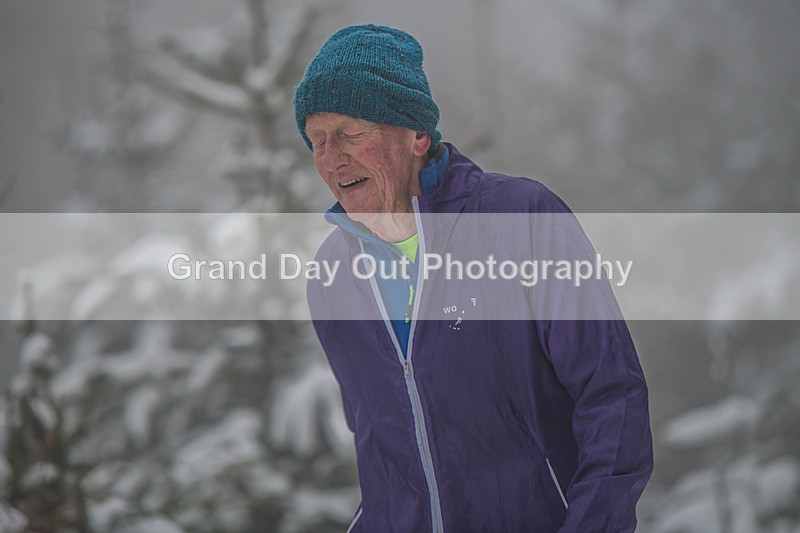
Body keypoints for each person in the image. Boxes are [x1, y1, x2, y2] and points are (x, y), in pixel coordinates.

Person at [294, 24, 653, 533]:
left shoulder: (520, 219)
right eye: (316, 141)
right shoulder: (332, 276)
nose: (330, 158)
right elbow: (384, 457)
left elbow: (613, 398)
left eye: (350, 133)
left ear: (417, 135)